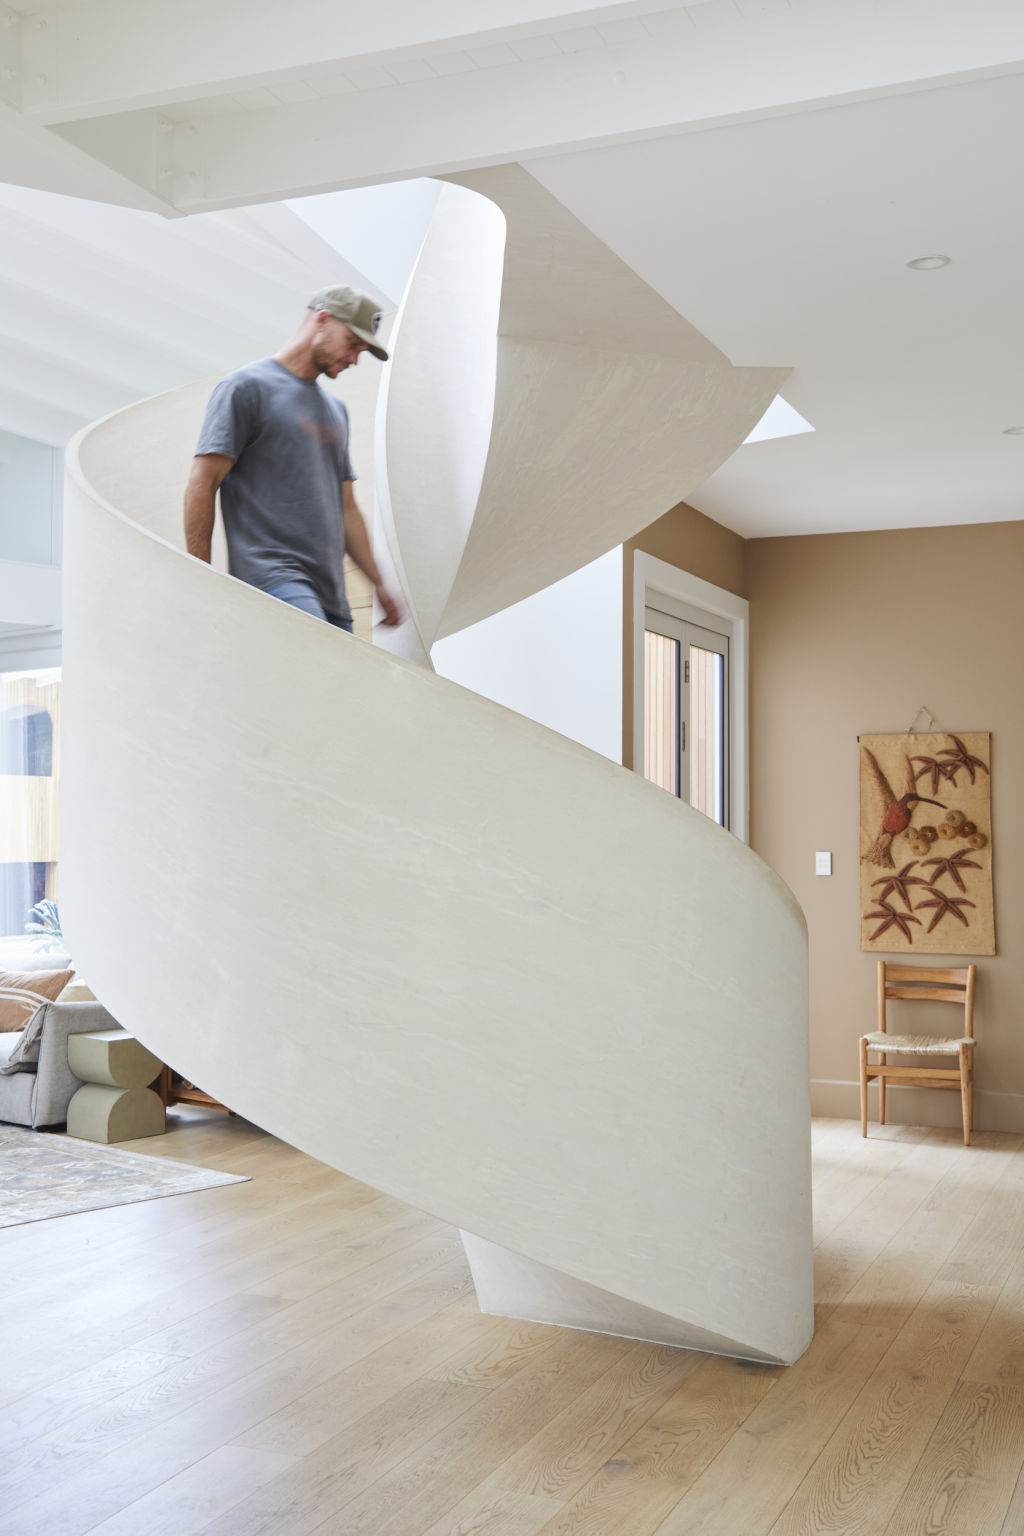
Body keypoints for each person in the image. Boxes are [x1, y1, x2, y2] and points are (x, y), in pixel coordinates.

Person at [184, 285, 402, 633]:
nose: (354, 359)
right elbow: (203, 482)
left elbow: (347, 508)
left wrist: (380, 584)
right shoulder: (244, 389)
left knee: (334, 687)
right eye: (352, 344)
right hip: (274, 581)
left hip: (332, 598)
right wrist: (199, 577)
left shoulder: (336, 411)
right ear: (323, 320)